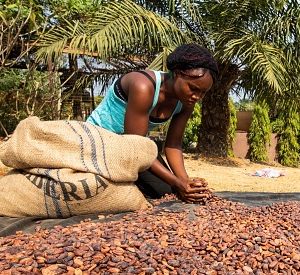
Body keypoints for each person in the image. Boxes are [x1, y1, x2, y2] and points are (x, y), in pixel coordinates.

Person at [86, 43, 218, 203]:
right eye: (193, 88)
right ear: (177, 73)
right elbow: (136, 146)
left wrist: (185, 181)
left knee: (165, 190)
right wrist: (177, 182)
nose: (197, 97)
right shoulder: (143, 86)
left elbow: (173, 145)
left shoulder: (186, 102)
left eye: (203, 92)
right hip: (99, 142)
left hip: (133, 148)